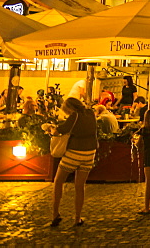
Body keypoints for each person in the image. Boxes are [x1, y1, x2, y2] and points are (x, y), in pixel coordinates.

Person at [46, 97, 98, 227]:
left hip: (75, 152)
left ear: (69, 108)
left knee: (58, 181)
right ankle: (77, 217)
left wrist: (51, 129)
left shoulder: (74, 115)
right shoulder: (90, 113)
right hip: (90, 153)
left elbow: (59, 131)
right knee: (80, 186)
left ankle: (55, 214)